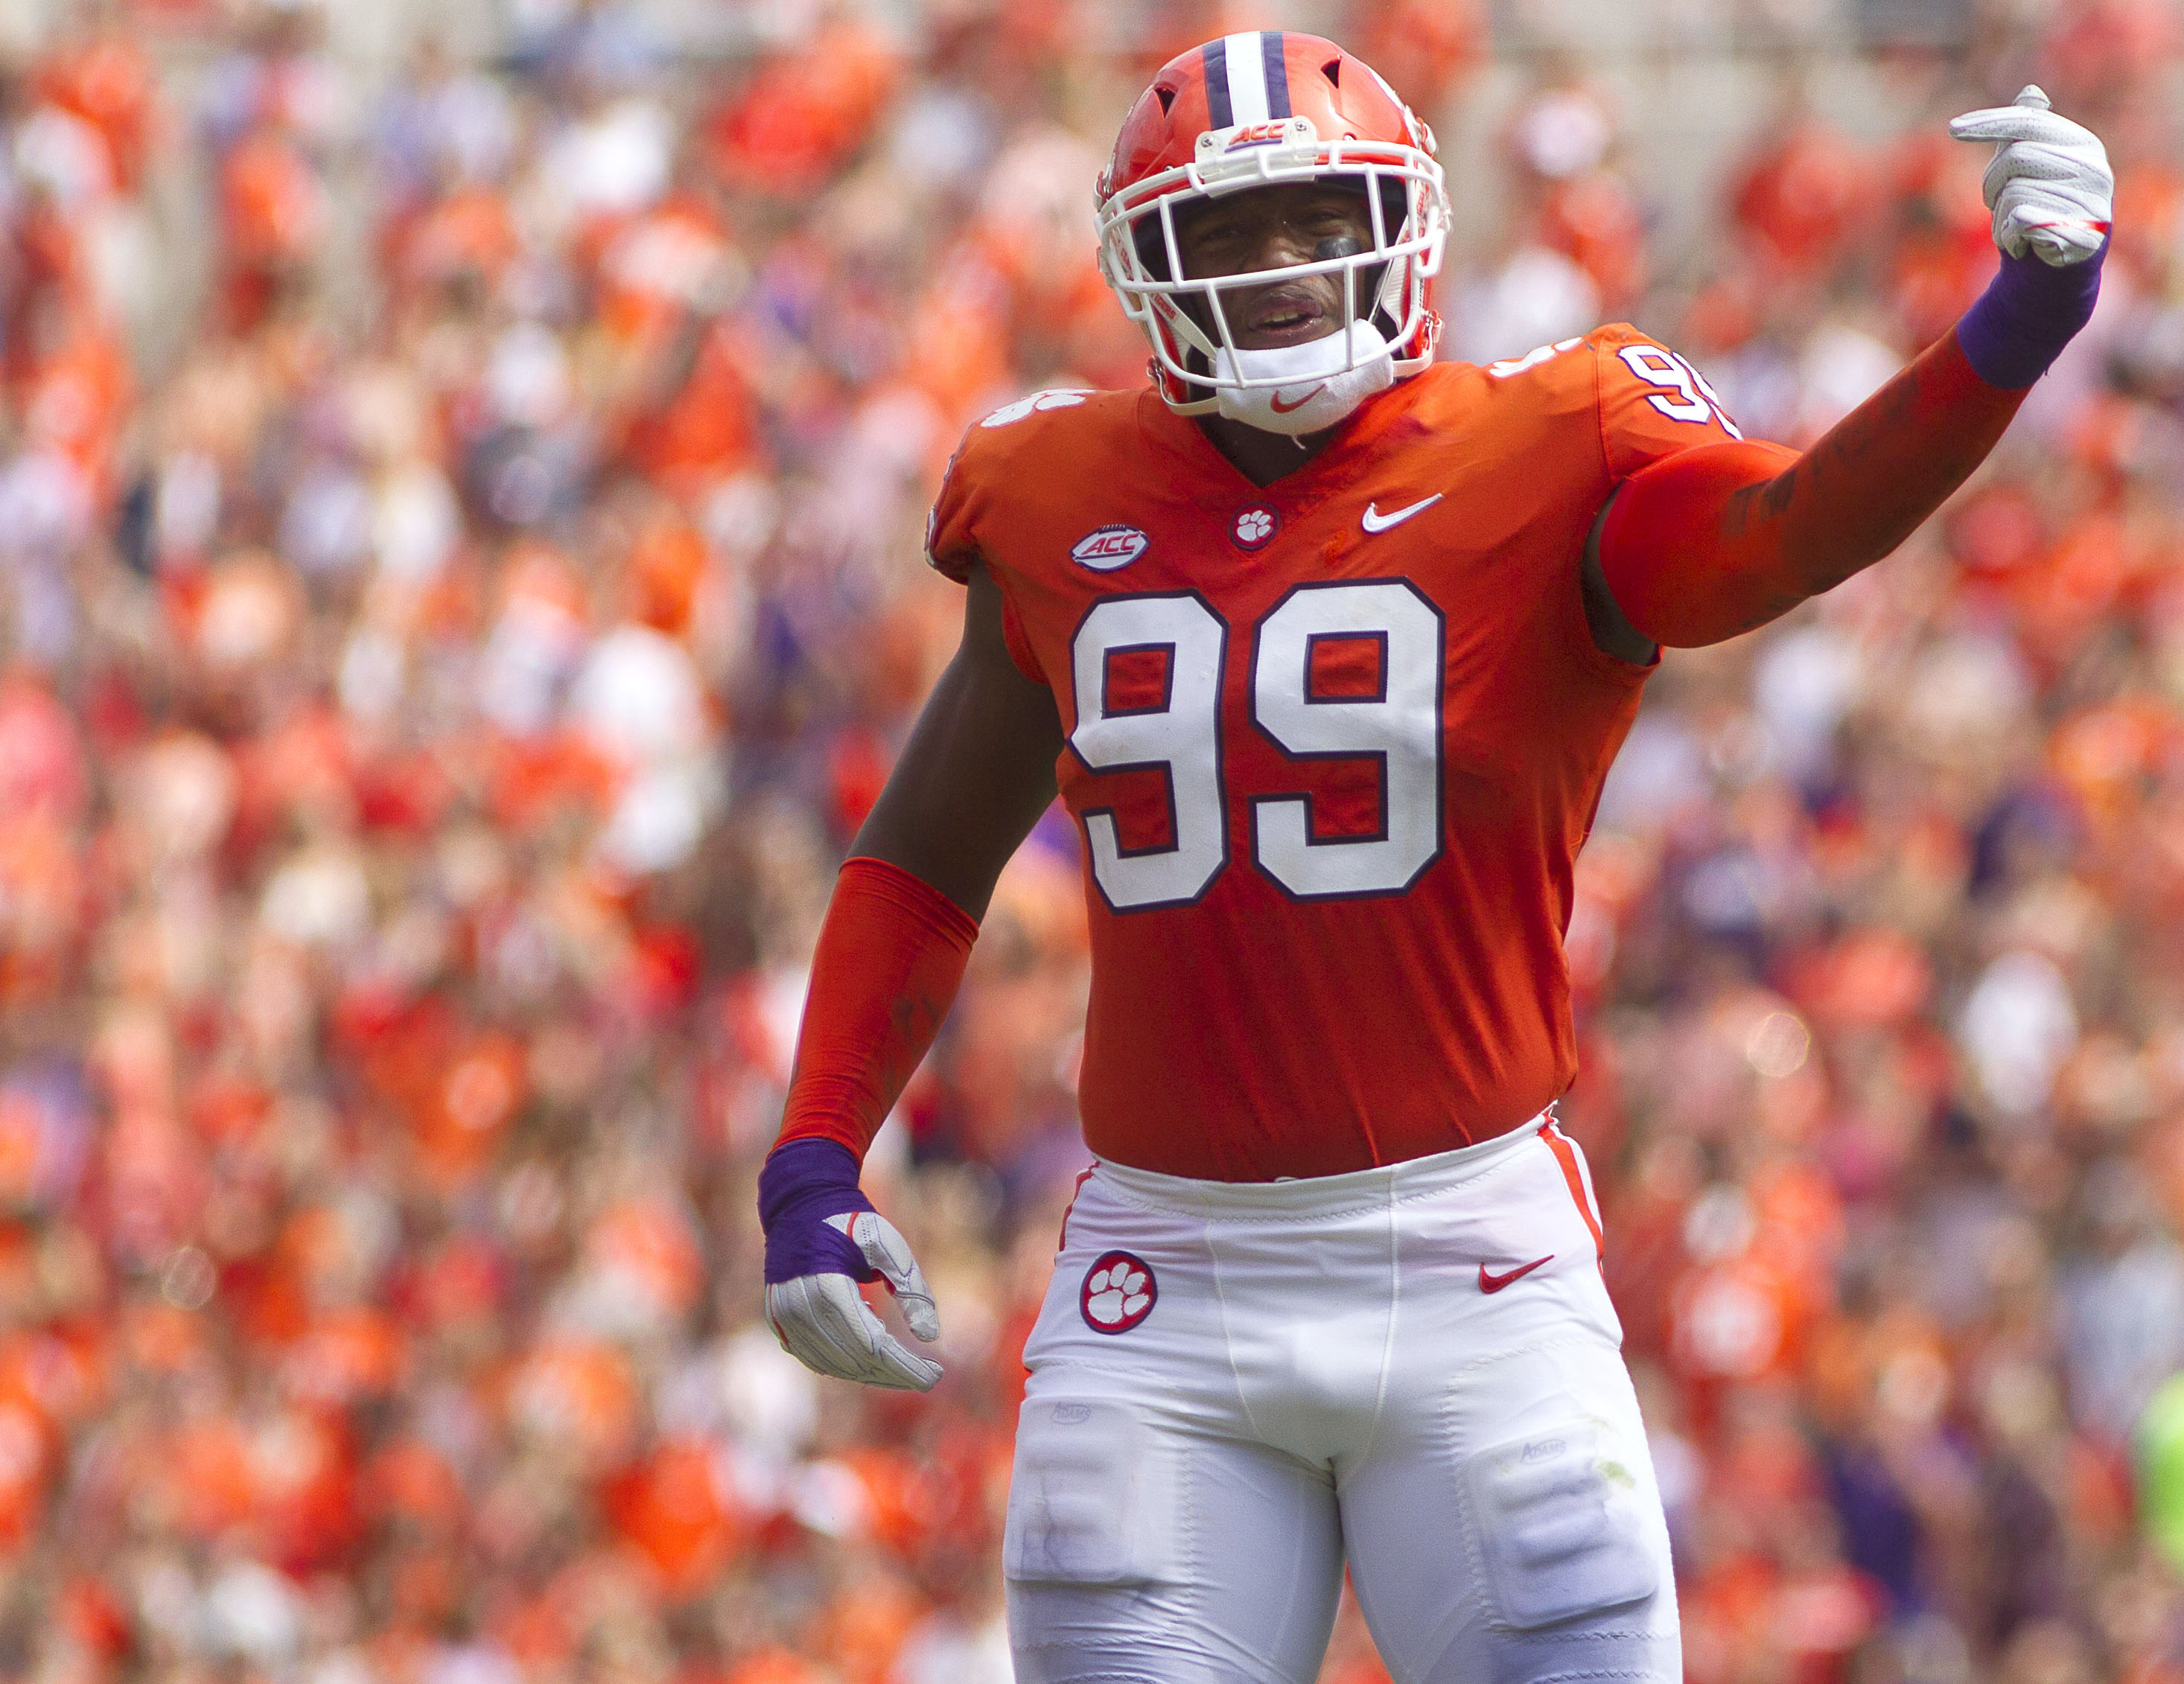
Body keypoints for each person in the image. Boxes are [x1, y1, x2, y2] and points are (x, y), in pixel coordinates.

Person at [757, 31, 2113, 1683]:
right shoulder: (1049, 490)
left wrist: (2009, 327)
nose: (1279, 264)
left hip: (1471, 1254)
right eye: (1225, 229)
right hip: (1163, 1281)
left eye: (1319, 216)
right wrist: (814, 1152)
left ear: (1406, 223)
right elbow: (922, 855)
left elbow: (1785, 529)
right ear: (1140, 266)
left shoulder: (1550, 439)